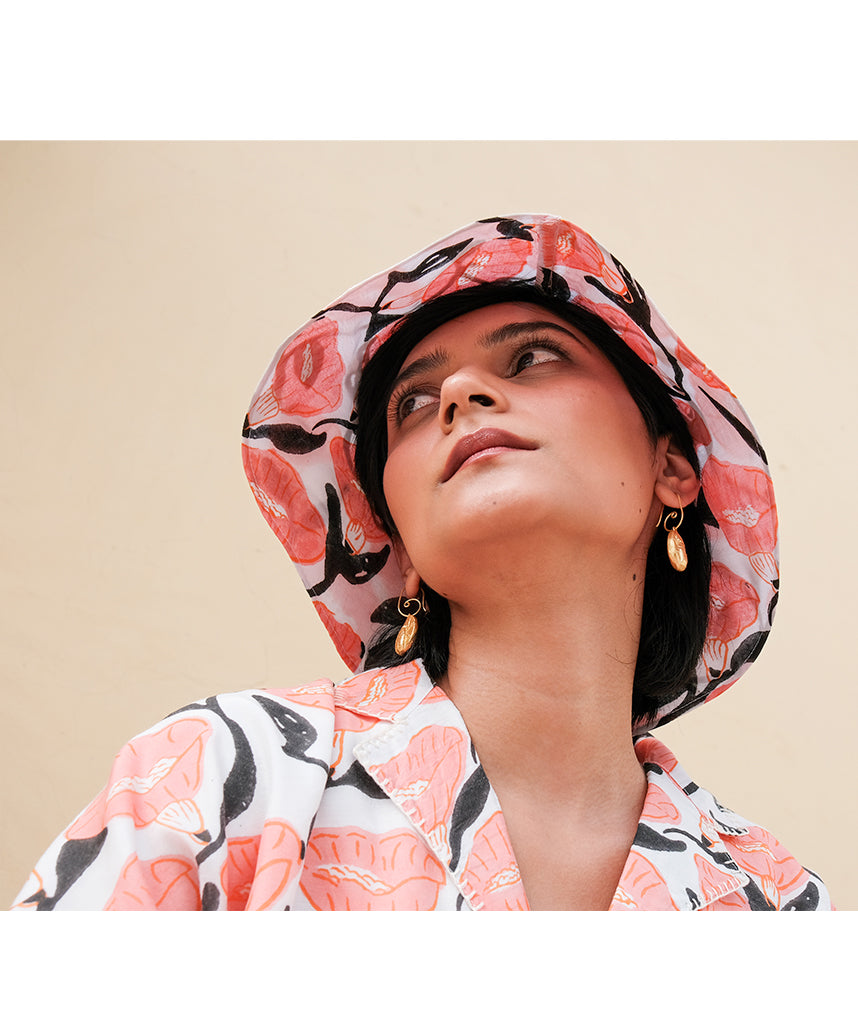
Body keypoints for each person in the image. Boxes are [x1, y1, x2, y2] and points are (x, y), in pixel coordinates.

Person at [11, 214, 831, 910]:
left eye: (532, 357)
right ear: (396, 541)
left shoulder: (777, 902)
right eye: (412, 403)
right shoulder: (221, 773)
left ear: (673, 466)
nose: (461, 393)